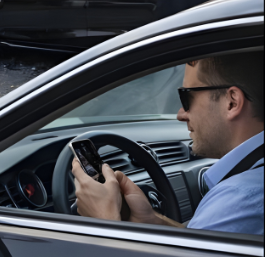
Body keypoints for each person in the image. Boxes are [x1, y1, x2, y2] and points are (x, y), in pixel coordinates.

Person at [73, 51, 264, 235]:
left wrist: (105, 220)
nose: (180, 114)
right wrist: (152, 221)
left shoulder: (240, 199)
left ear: (232, 102)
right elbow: (201, 243)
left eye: (186, 97)